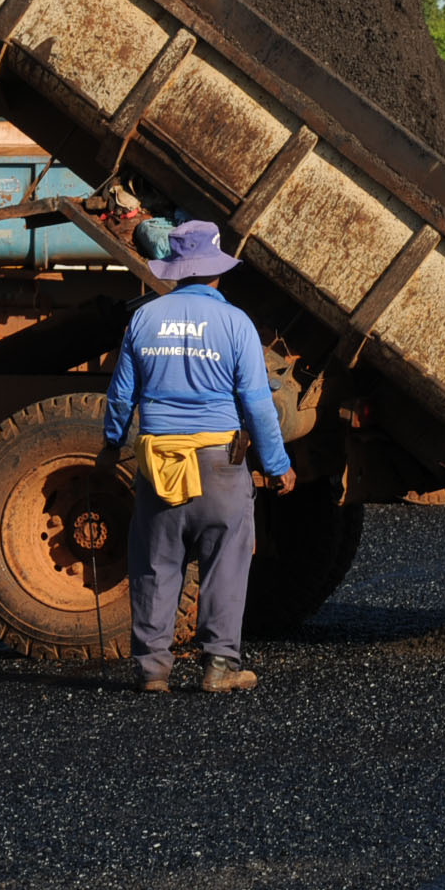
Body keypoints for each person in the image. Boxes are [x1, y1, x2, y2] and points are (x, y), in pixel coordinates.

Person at [102, 220, 294, 694]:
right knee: (226, 561)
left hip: (159, 464)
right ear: (217, 271)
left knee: (155, 563)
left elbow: (121, 397)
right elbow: (257, 403)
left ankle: (152, 671)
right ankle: (220, 666)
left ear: (175, 269)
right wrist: (277, 465)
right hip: (221, 464)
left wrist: (110, 445)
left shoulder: (143, 320)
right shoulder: (235, 323)